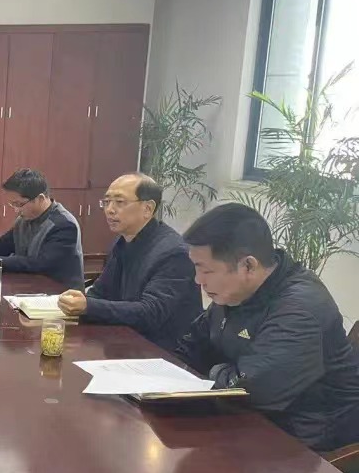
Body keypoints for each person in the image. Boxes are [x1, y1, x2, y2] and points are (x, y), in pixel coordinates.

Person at [176, 203, 359, 452]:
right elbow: (190, 346)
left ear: (248, 266)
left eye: (206, 271)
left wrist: (216, 370)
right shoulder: (235, 293)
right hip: (248, 423)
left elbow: (248, 391)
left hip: (307, 446)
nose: (198, 280)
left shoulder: (301, 310)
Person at [56, 173, 201, 351]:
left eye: (119, 202)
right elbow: (101, 291)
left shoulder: (174, 253)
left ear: (147, 208)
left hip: (163, 351)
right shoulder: (122, 240)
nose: (110, 210)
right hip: (125, 338)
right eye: (106, 202)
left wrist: (89, 306)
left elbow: (151, 312)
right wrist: (78, 303)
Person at [0, 168, 84, 291]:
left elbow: (41, 264)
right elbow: (4, 243)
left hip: (61, 295)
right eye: (12, 204)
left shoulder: (64, 225)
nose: (16, 210)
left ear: (40, 199)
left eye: (19, 204)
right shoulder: (24, 219)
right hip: (30, 287)